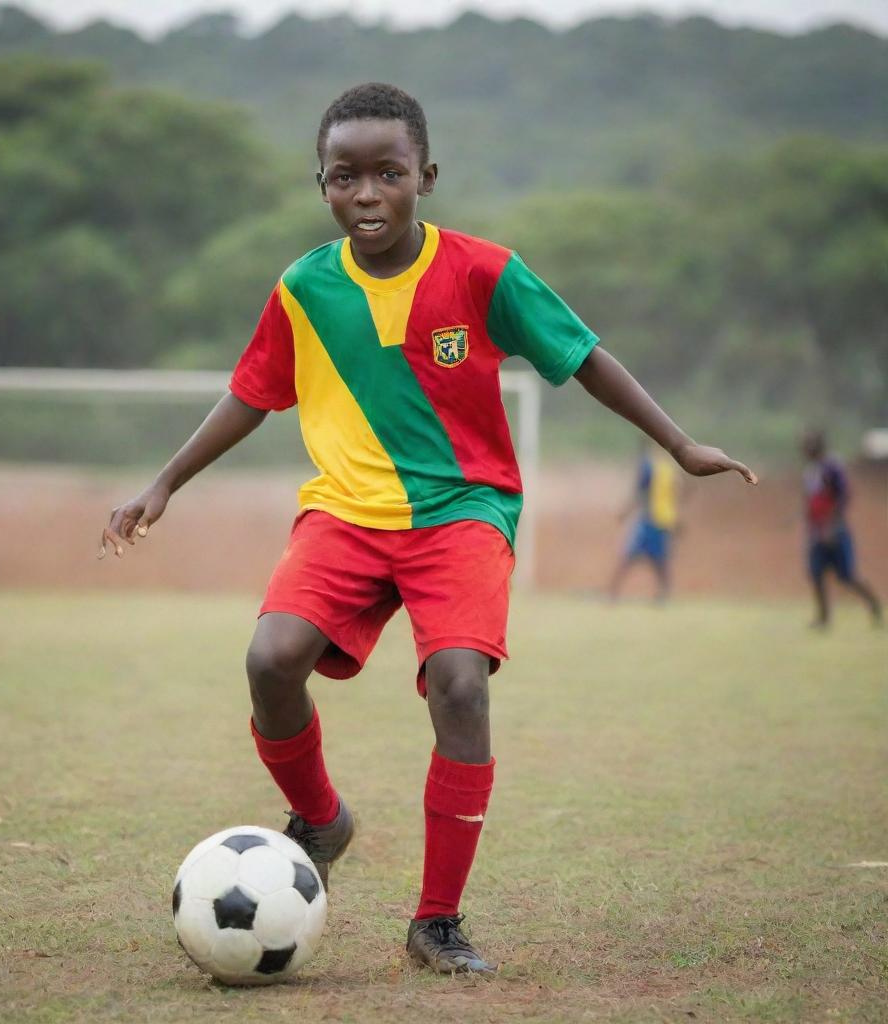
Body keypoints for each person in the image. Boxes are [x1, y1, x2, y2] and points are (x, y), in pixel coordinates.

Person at [99, 83, 757, 974]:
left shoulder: (484, 271)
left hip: (463, 512)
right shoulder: (303, 288)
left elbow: (583, 356)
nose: (366, 193)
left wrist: (678, 443)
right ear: (321, 184)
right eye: (345, 176)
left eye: (387, 173)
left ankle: (436, 922)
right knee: (269, 660)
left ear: (426, 177)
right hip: (344, 513)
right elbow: (251, 392)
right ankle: (323, 819)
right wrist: (164, 481)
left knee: (460, 687)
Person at [801, 430, 881, 629]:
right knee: (816, 573)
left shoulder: (832, 467)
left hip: (835, 530)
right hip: (817, 532)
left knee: (847, 575)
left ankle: (874, 605)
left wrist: (832, 525)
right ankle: (823, 618)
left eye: (809, 444)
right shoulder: (811, 471)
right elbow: (812, 501)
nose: (805, 448)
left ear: (818, 445)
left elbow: (843, 496)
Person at [609, 441, 682, 602]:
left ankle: (612, 594)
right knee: (659, 559)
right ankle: (664, 594)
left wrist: (625, 511)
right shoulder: (668, 466)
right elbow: (678, 491)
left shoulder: (648, 467)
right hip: (665, 519)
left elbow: (641, 493)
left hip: (650, 519)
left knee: (629, 556)